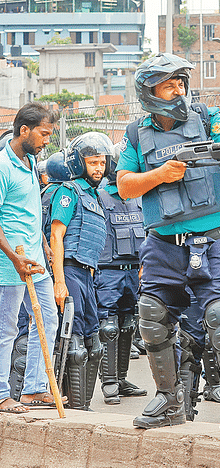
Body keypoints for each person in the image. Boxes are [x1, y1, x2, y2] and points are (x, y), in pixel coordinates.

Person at [117, 53, 220, 438]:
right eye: (170, 84)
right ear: (149, 91)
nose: (179, 90)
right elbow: (124, 185)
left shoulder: (207, 117)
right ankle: (170, 400)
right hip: (163, 244)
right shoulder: (136, 133)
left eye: (181, 83)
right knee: (152, 317)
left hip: (212, 241)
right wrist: (161, 174)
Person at [0, 102, 60, 413]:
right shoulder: (2, 165)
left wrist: (43, 245)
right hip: (11, 263)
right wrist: (12, 256)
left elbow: (28, 211)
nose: (48, 139)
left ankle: (35, 389)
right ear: (24, 130)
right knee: (6, 328)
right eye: (44, 133)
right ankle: (0, 394)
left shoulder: (30, 162)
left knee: (48, 319)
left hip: (35, 258)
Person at [49, 132, 113, 411]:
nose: (98, 168)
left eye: (101, 162)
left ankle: (84, 407)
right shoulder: (69, 191)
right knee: (73, 347)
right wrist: (60, 281)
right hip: (71, 273)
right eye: (92, 162)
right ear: (79, 163)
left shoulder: (95, 196)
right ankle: (72, 409)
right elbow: (56, 235)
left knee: (94, 345)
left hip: (89, 276)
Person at [94, 143, 148, 405]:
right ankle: (109, 382)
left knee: (128, 324)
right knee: (109, 327)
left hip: (133, 272)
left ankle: (123, 378)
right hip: (108, 273)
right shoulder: (101, 196)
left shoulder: (137, 196)